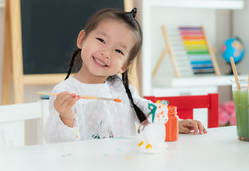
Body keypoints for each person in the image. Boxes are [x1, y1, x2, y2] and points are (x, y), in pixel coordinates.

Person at [44, 8, 207, 143]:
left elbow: (145, 110)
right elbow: (57, 147)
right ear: (82, 39)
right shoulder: (63, 91)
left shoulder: (121, 89)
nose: (106, 53)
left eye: (118, 51)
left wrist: (175, 123)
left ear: (124, 65)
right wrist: (66, 117)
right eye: (101, 40)